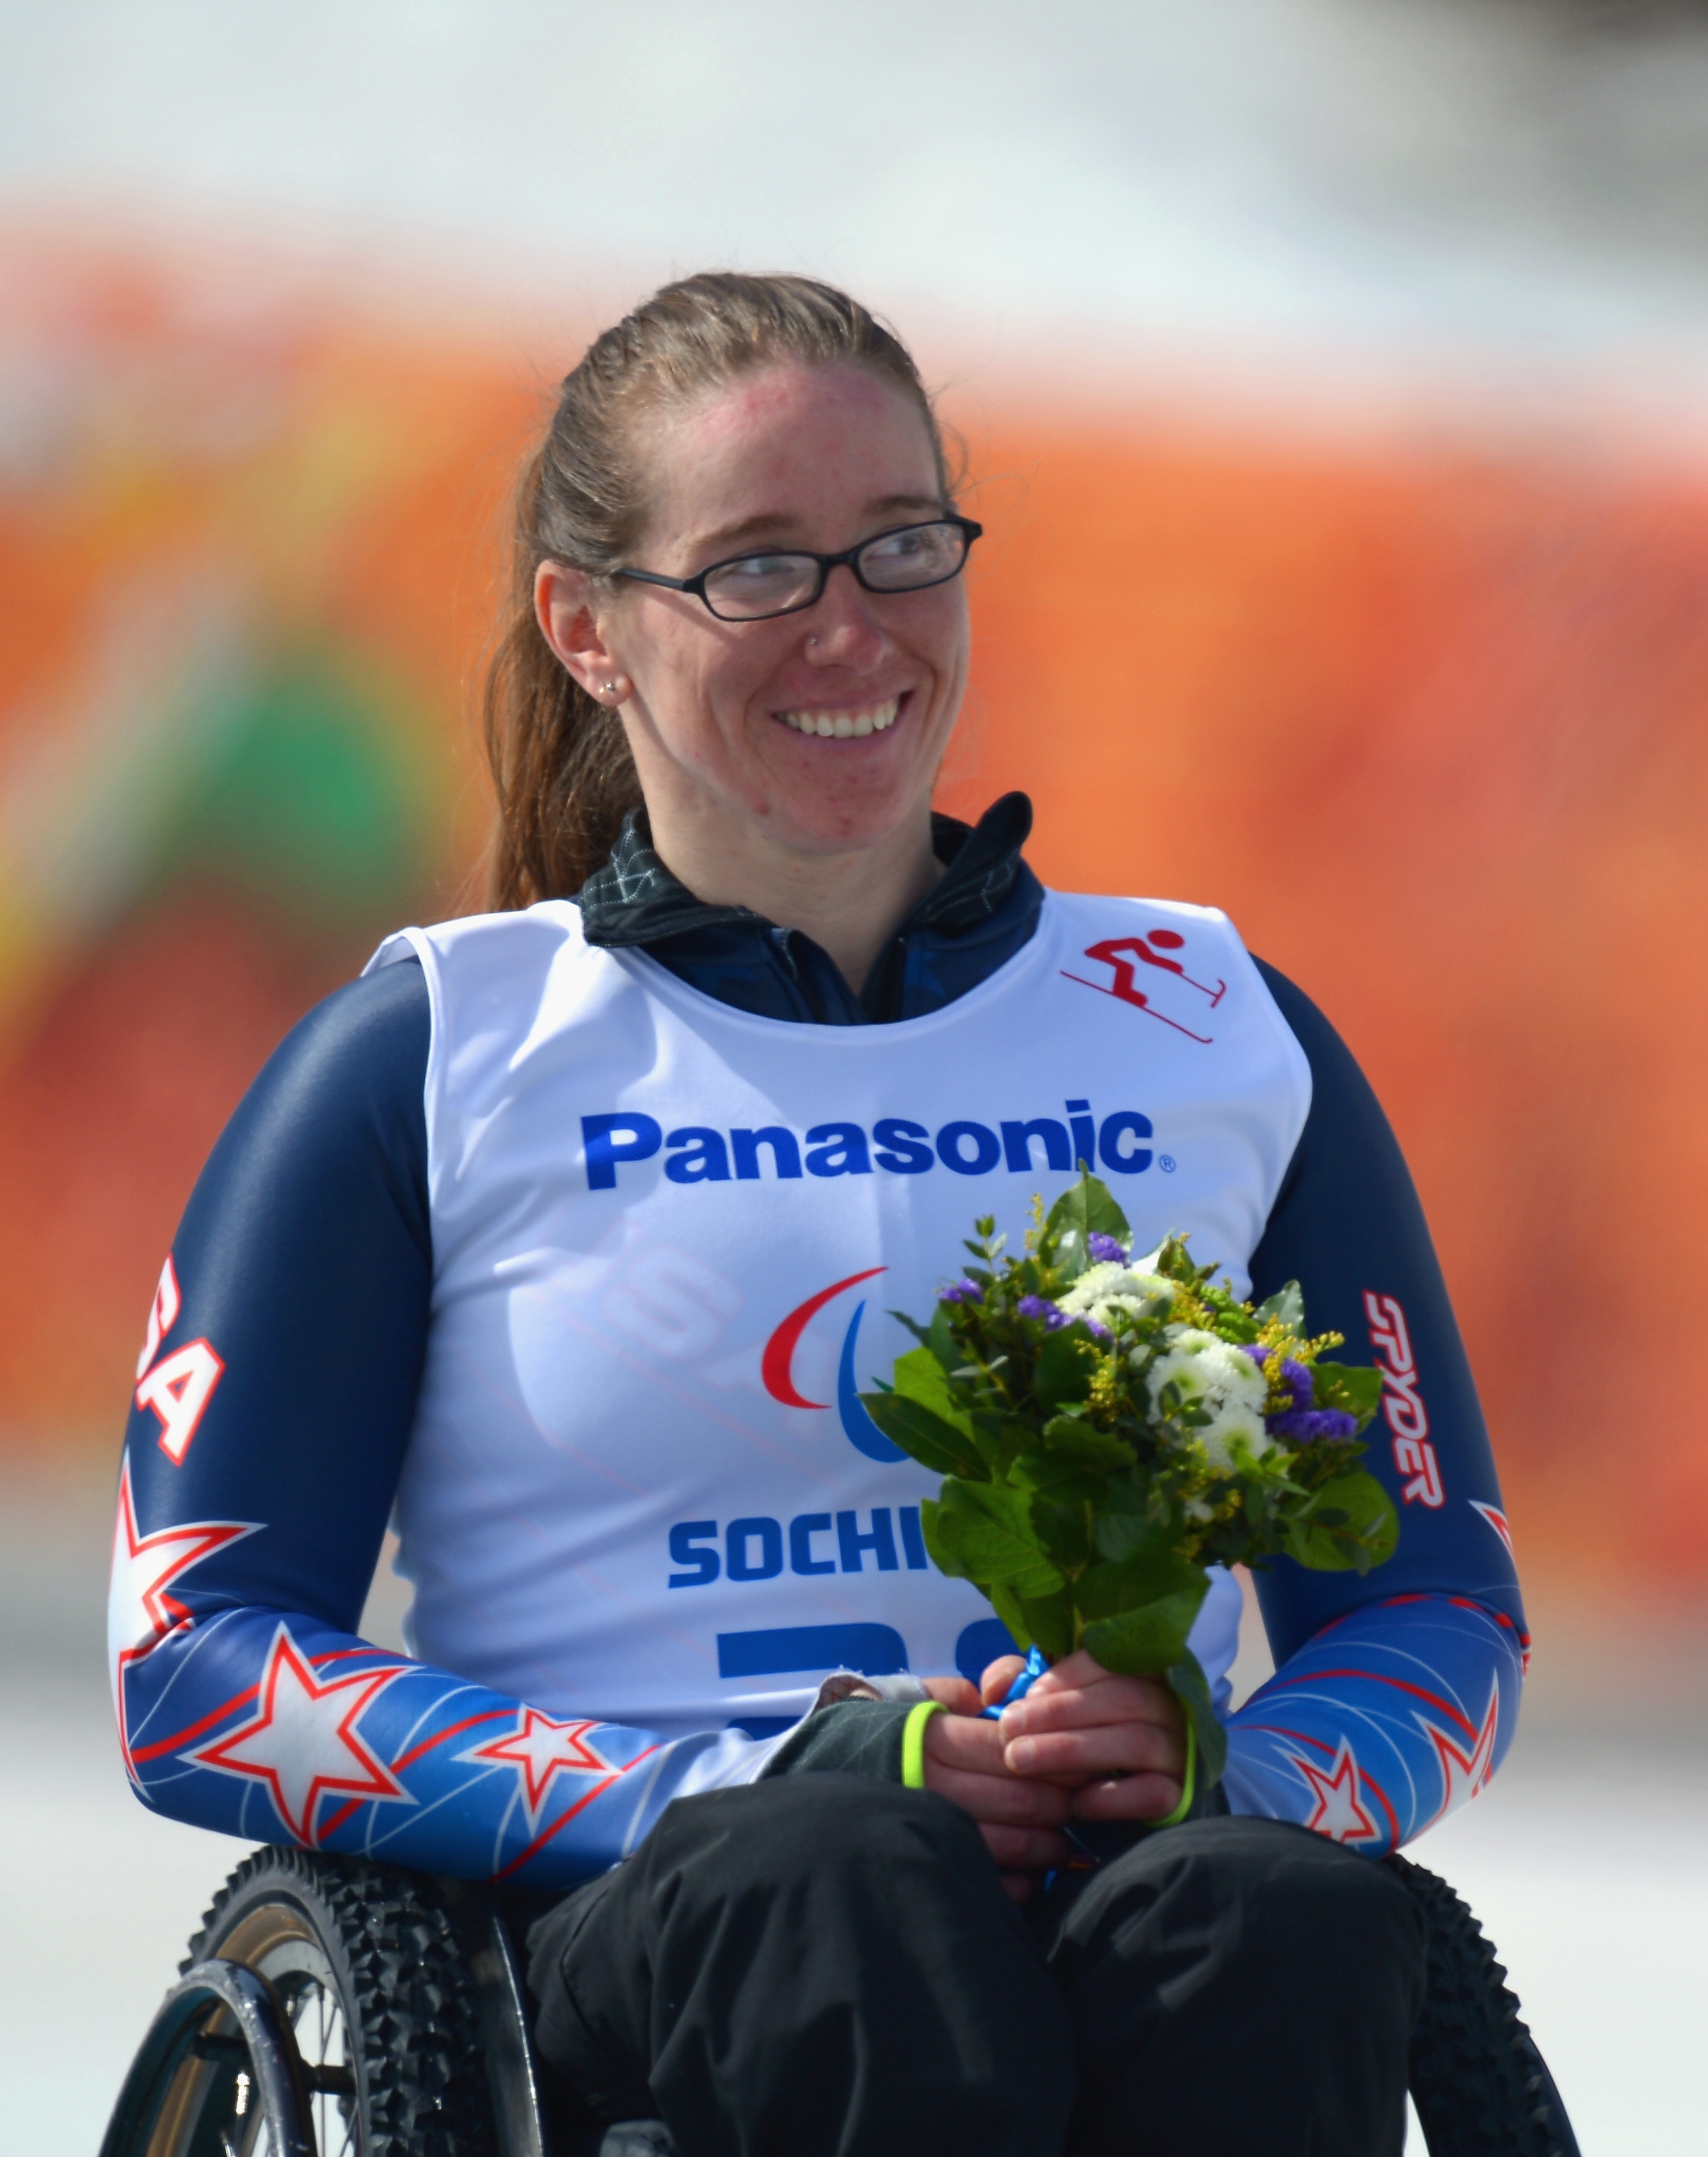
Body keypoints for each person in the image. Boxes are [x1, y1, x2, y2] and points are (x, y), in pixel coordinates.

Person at [110, 274, 1527, 2157]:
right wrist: (745, 1777)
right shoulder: (432, 1055)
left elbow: (1439, 1608)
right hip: (654, 1926)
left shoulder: (1215, 1029)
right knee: (838, 1875)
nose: (850, 627)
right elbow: (193, 1661)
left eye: (902, 544)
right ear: (588, 628)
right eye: (758, 568)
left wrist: (1229, 1770)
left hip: (1119, 1897)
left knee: (1279, 1920)